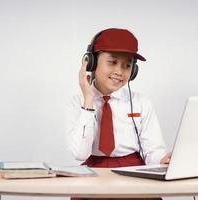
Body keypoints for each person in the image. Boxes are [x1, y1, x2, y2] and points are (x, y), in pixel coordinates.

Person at [66, 28, 171, 200]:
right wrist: (89, 101)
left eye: (127, 65)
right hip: (93, 171)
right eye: (112, 62)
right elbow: (80, 153)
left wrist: (162, 160)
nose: (120, 72)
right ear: (91, 62)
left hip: (134, 171)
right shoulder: (77, 103)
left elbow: (153, 151)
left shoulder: (141, 102)